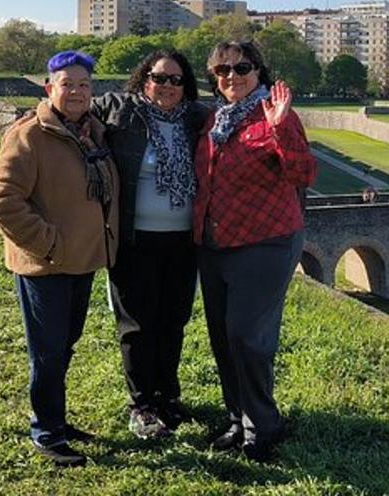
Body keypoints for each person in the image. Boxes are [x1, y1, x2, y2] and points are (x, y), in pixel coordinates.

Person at [0, 51, 118, 467]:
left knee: (63, 346)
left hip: (81, 262)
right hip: (47, 265)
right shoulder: (30, 135)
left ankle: (54, 418)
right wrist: (50, 244)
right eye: (67, 84)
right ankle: (46, 432)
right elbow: (1, 200)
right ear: (50, 89)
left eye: (84, 85)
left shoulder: (91, 132)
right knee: (47, 352)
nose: (76, 92)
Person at [194, 40, 317, 462]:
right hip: (216, 245)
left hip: (266, 243)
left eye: (242, 67)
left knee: (247, 336)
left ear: (258, 72)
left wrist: (281, 126)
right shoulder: (215, 120)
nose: (232, 76)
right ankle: (237, 419)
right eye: (222, 70)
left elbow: (302, 172)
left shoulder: (275, 115)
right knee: (223, 339)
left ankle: (264, 425)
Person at [91, 50, 208, 440]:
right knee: (137, 324)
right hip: (135, 239)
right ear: (145, 80)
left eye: (176, 80)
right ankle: (142, 404)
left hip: (182, 240)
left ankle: (167, 396)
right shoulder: (121, 110)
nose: (168, 86)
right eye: (160, 78)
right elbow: (71, 106)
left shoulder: (195, 118)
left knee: (172, 321)